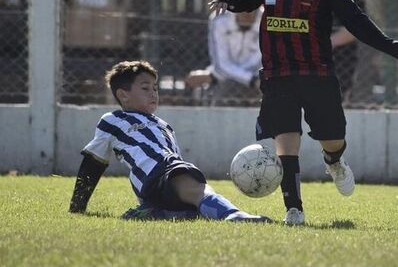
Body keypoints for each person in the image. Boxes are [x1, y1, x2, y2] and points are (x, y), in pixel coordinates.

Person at [209, 0, 398, 225]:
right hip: (278, 75)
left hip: (317, 75)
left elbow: (356, 21)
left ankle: (335, 161)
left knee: (332, 137)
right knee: (286, 142)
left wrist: (388, 45)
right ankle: (294, 209)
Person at [69, 60, 271, 223]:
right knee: (197, 190)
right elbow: (94, 162)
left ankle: (156, 212)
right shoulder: (112, 120)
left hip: (169, 175)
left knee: (192, 206)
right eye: (145, 88)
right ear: (124, 95)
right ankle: (232, 214)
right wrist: (77, 206)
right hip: (155, 173)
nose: (153, 93)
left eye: (155, 88)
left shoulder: (163, 125)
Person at [185, 4, 262, 106]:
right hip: (235, 77)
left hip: (257, 76)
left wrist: (214, 76)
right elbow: (221, 63)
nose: (246, 12)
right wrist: (251, 79)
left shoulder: (267, 19)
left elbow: (259, 60)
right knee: (197, 80)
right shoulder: (219, 19)